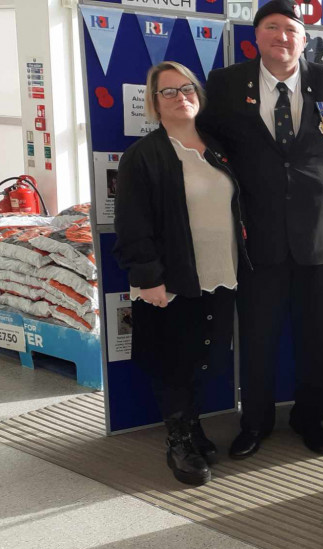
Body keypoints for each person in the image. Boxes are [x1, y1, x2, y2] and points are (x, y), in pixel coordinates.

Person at [199, 0, 323, 459]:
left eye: (291, 29)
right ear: (256, 37)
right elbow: (208, 145)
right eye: (272, 27)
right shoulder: (227, 83)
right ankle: (254, 422)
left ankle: (308, 418)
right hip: (256, 235)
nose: (282, 36)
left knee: (317, 335)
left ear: (304, 38)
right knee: (258, 335)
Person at [114, 61, 251, 486]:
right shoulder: (144, 156)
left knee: (201, 358)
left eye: (187, 88)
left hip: (220, 272)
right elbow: (132, 224)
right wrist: (149, 277)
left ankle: (193, 428)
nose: (180, 97)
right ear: (154, 103)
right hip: (172, 279)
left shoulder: (216, 145)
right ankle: (178, 442)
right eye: (168, 92)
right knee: (172, 362)